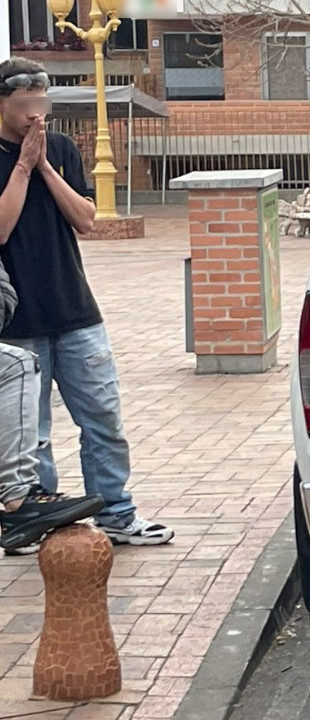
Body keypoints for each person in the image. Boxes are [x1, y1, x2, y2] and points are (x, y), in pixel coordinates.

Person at [0, 57, 173, 548]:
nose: (35, 113)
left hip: (75, 308)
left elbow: (86, 218)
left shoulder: (57, 147)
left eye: (41, 103)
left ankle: (116, 513)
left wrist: (45, 165)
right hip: (17, 322)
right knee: (31, 432)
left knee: (103, 417)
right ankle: (34, 518)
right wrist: (20, 166)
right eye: (23, 105)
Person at [1, 254, 105, 554]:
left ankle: (116, 513)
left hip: (69, 310)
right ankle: (21, 500)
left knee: (103, 421)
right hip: (26, 330)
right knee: (15, 365)